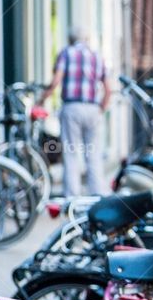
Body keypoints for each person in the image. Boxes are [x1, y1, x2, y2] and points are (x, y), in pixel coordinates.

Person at [44, 26, 110, 198]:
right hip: (93, 107)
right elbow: (108, 89)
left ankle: (72, 197)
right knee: (93, 153)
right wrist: (101, 108)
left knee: (71, 152)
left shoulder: (66, 53)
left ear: (70, 40)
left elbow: (56, 81)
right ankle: (96, 194)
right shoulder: (97, 56)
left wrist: (41, 100)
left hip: (72, 107)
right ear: (86, 39)